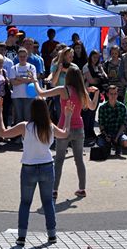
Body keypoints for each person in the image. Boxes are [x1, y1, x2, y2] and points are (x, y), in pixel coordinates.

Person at [0, 97, 72, 245]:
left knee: (25, 202)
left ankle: (22, 236)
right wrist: (67, 115)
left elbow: (2, 133)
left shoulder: (25, 126)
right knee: (48, 202)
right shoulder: (49, 126)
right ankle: (52, 234)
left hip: (29, 167)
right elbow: (65, 133)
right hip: (47, 166)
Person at [38, 66, 99, 198]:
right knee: (79, 160)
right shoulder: (83, 92)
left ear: (68, 78)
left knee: (59, 160)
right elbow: (93, 107)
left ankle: (54, 190)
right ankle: (82, 188)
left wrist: (34, 81)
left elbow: (42, 94)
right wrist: (97, 93)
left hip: (63, 128)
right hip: (78, 128)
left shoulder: (63, 89)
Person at [96, 85, 127, 156]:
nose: (113, 96)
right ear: (107, 94)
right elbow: (101, 123)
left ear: (117, 94)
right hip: (106, 133)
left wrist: (117, 137)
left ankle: (118, 146)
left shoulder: (122, 107)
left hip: (118, 133)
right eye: (111, 94)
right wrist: (106, 135)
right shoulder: (102, 108)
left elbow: (123, 124)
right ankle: (107, 146)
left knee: (126, 142)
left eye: (115, 94)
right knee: (100, 144)